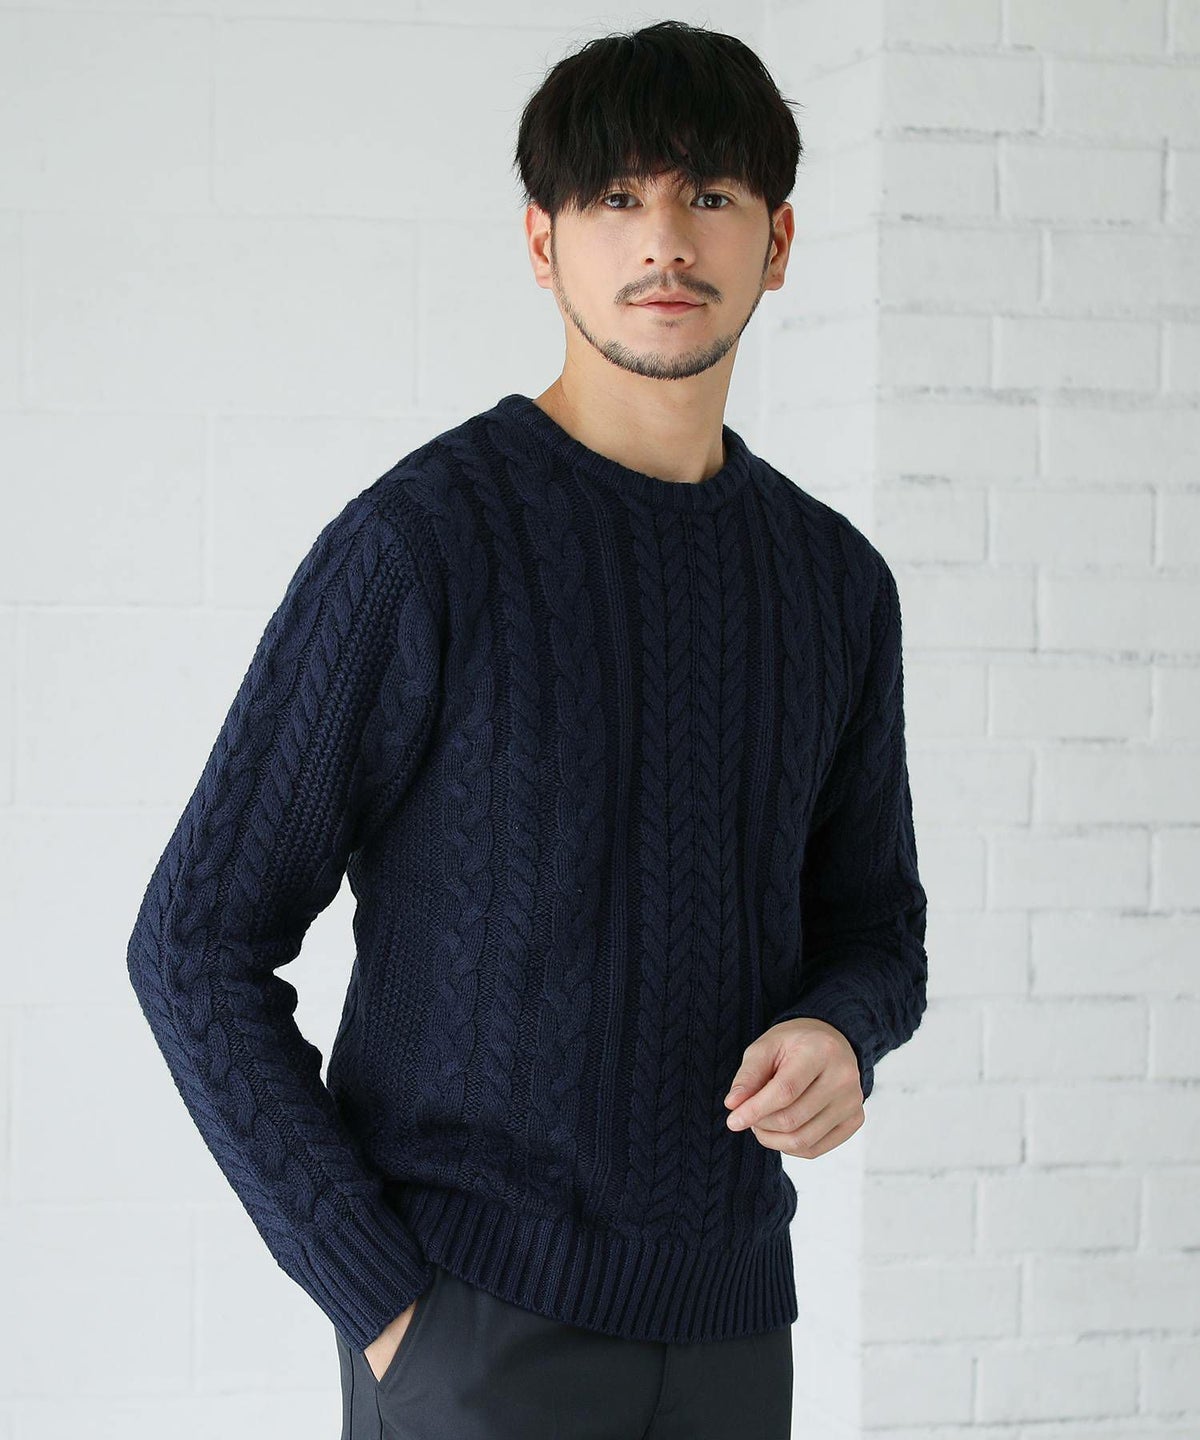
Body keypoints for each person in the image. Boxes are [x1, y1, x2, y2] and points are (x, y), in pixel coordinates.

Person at [126, 18, 929, 1440]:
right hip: (473, 1332)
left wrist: (839, 1029)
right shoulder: (423, 546)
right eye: (616, 198)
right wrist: (383, 1303)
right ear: (543, 244)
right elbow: (193, 942)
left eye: (710, 194)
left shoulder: (834, 584)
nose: (665, 241)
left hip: (737, 1326)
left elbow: (878, 929)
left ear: (779, 242)